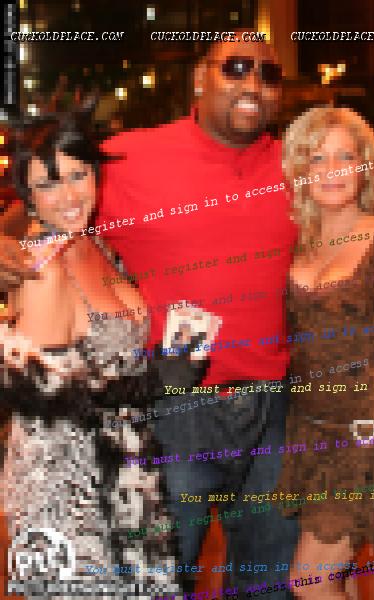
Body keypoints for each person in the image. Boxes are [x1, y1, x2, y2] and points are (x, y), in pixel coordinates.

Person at [0, 37, 298, 595]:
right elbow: (43, 192)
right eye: (235, 67)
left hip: (271, 406)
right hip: (169, 416)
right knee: (163, 574)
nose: (253, 82)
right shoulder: (130, 157)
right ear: (200, 80)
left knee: (268, 579)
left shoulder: (296, 163)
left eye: (268, 73)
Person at [0, 110, 219, 599]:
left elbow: (103, 356)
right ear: (28, 197)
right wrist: (154, 382)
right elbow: (40, 398)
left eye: (78, 175)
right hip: (66, 487)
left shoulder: (95, 243)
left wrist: (166, 362)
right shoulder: (43, 269)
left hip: (126, 470)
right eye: (48, 184)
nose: (69, 195)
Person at [279, 105, 374, 599]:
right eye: (316, 158)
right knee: (337, 580)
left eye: (345, 157)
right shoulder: (297, 242)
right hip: (309, 427)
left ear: (365, 165)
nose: (331, 170)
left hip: (370, 429)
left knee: (308, 582)